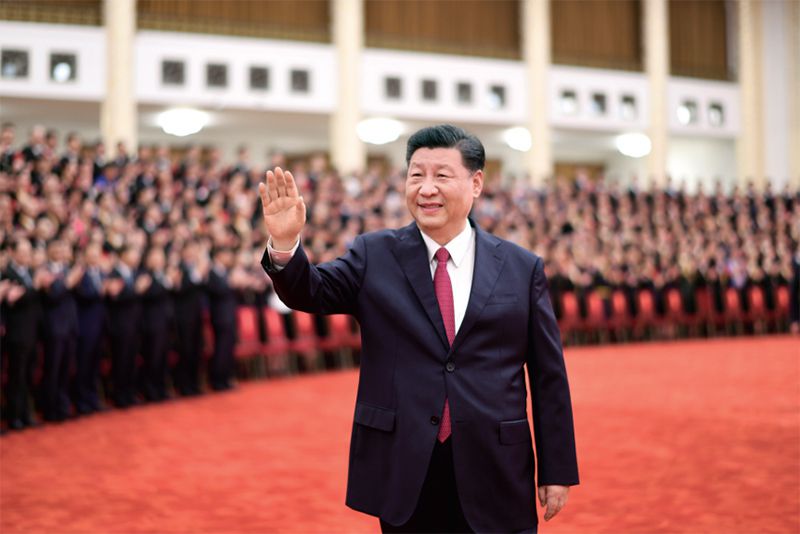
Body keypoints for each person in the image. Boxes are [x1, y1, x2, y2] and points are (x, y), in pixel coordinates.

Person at [259, 125, 579, 533]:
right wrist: (285, 245)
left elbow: (549, 377)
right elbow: (311, 291)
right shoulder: (374, 255)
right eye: (416, 175)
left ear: (476, 183)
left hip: (496, 466)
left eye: (441, 175)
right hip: (406, 465)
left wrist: (557, 468)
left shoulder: (521, 268)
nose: (427, 189)